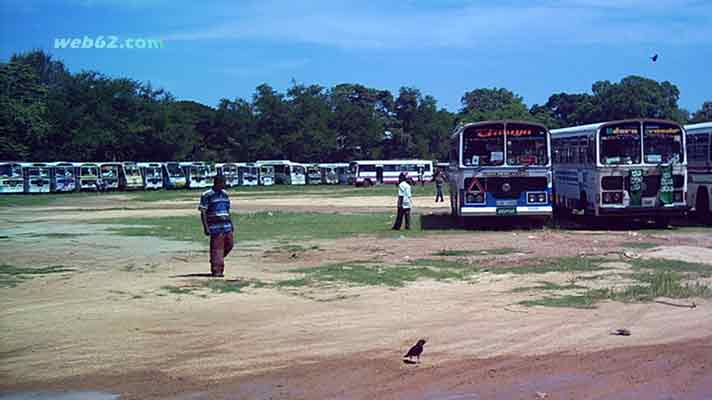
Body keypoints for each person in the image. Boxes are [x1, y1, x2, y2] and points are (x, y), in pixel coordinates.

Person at [198, 175, 234, 277]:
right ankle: (217, 270)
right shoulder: (207, 195)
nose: (225, 184)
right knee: (217, 249)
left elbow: (227, 211)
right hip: (215, 227)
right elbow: (203, 211)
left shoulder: (225, 195)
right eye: (223, 182)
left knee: (230, 245)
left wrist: (231, 224)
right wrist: (206, 227)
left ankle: (215, 259)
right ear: (218, 183)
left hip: (226, 225)